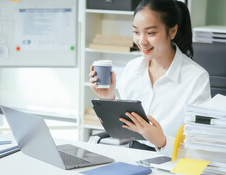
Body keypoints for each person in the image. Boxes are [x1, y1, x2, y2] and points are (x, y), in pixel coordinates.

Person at [89, 0, 211, 156]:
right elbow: (122, 128)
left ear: (172, 31)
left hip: (173, 160)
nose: (141, 41)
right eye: (136, 32)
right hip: (134, 154)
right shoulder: (132, 68)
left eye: (151, 33)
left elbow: (201, 147)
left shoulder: (196, 78)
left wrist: (162, 141)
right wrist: (108, 98)